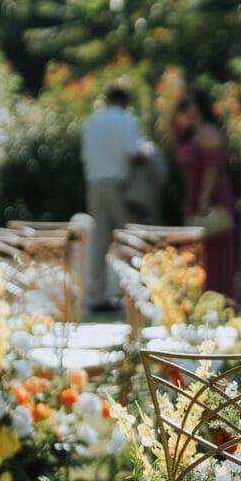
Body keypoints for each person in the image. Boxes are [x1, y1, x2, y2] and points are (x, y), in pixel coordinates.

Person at [80, 84, 152, 313]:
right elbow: (133, 154)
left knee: (99, 243)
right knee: (130, 240)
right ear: (125, 101)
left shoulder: (92, 120)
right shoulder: (126, 120)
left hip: (95, 184)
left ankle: (95, 296)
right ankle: (135, 295)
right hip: (120, 186)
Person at [168, 89, 239, 302]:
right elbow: (172, 130)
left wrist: (204, 200)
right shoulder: (189, 132)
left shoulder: (208, 131)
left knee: (212, 254)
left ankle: (217, 300)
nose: (188, 110)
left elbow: (213, 168)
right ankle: (193, 299)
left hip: (211, 197)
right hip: (194, 195)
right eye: (185, 106)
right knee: (195, 251)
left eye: (192, 104)